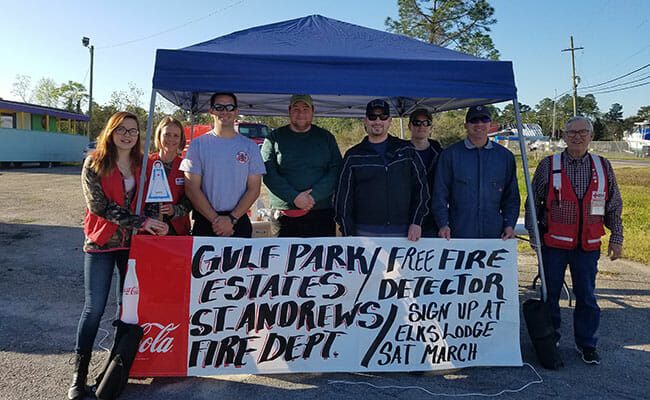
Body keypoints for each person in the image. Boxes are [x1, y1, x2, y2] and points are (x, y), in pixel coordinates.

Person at [68, 112, 168, 400]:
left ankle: (110, 374)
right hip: (100, 243)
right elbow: (99, 206)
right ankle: (79, 377)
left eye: (134, 131)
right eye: (122, 129)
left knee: (128, 310)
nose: (128, 135)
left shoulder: (144, 165)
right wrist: (142, 222)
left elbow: (149, 202)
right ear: (111, 132)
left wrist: (155, 219)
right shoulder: (95, 162)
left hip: (133, 246)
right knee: (94, 309)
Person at [525, 115, 623, 365]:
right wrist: (534, 235)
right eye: (571, 133)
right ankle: (551, 339)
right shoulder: (549, 165)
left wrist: (617, 237)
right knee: (550, 295)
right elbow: (532, 204)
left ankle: (587, 344)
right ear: (564, 136)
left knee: (587, 297)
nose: (577, 137)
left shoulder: (603, 166)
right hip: (553, 245)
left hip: (587, 247)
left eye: (582, 132)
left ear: (591, 136)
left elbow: (613, 205)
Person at [334, 99, 429, 240]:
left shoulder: (407, 150)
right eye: (372, 117)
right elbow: (343, 198)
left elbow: (421, 188)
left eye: (383, 116)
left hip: (404, 233)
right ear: (365, 120)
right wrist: (348, 233)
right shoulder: (353, 156)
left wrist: (417, 222)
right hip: (364, 233)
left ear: (390, 120)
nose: (377, 121)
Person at [180, 93, 265, 238]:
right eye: (219, 107)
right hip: (206, 222)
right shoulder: (198, 145)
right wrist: (216, 221)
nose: (224, 112)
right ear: (211, 111)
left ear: (236, 112)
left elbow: (254, 189)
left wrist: (231, 219)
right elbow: (191, 188)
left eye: (230, 107)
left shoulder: (250, 146)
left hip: (238, 222)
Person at [433, 105, 520, 240]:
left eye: (484, 120)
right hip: (458, 233)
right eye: (474, 120)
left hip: (494, 233)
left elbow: (511, 196)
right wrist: (443, 224)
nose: (479, 124)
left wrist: (509, 224)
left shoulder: (505, 156)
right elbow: (439, 194)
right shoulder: (450, 155)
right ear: (465, 125)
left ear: (490, 124)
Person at [261, 94, 342, 237]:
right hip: (284, 214)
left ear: (313, 111)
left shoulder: (326, 137)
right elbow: (268, 172)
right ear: (289, 110)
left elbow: (336, 170)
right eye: (296, 109)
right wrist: (294, 197)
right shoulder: (274, 138)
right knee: (284, 258)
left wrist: (314, 196)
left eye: (305, 109)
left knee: (321, 258)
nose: (301, 114)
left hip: (320, 213)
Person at [144, 117, 192, 235]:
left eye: (176, 135)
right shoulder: (145, 163)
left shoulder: (187, 166)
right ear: (159, 136)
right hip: (147, 229)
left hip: (177, 231)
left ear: (181, 139)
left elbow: (192, 198)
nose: (171, 139)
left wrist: (175, 210)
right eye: (167, 134)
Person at [408, 108, 443, 237]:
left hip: (434, 220)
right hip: (406, 220)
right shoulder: (399, 153)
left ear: (431, 127)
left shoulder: (441, 155)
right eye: (417, 123)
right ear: (409, 126)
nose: (421, 126)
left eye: (426, 123)